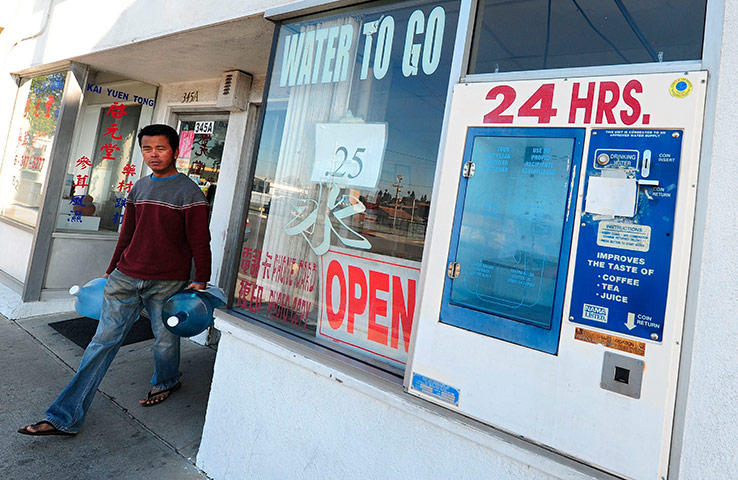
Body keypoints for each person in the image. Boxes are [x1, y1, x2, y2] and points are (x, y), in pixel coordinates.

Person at [18, 124, 212, 436]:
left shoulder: (189, 193)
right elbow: (128, 233)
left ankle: (166, 382)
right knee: (101, 343)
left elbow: (200, 241)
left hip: (167, 282)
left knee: (164, 339)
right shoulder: (139, 188)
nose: (153, 155)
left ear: (175, 151)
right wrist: (112, 269)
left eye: (160, 148)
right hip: (125, 277)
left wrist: (201, 278)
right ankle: (64, 417)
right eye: (147, 149)